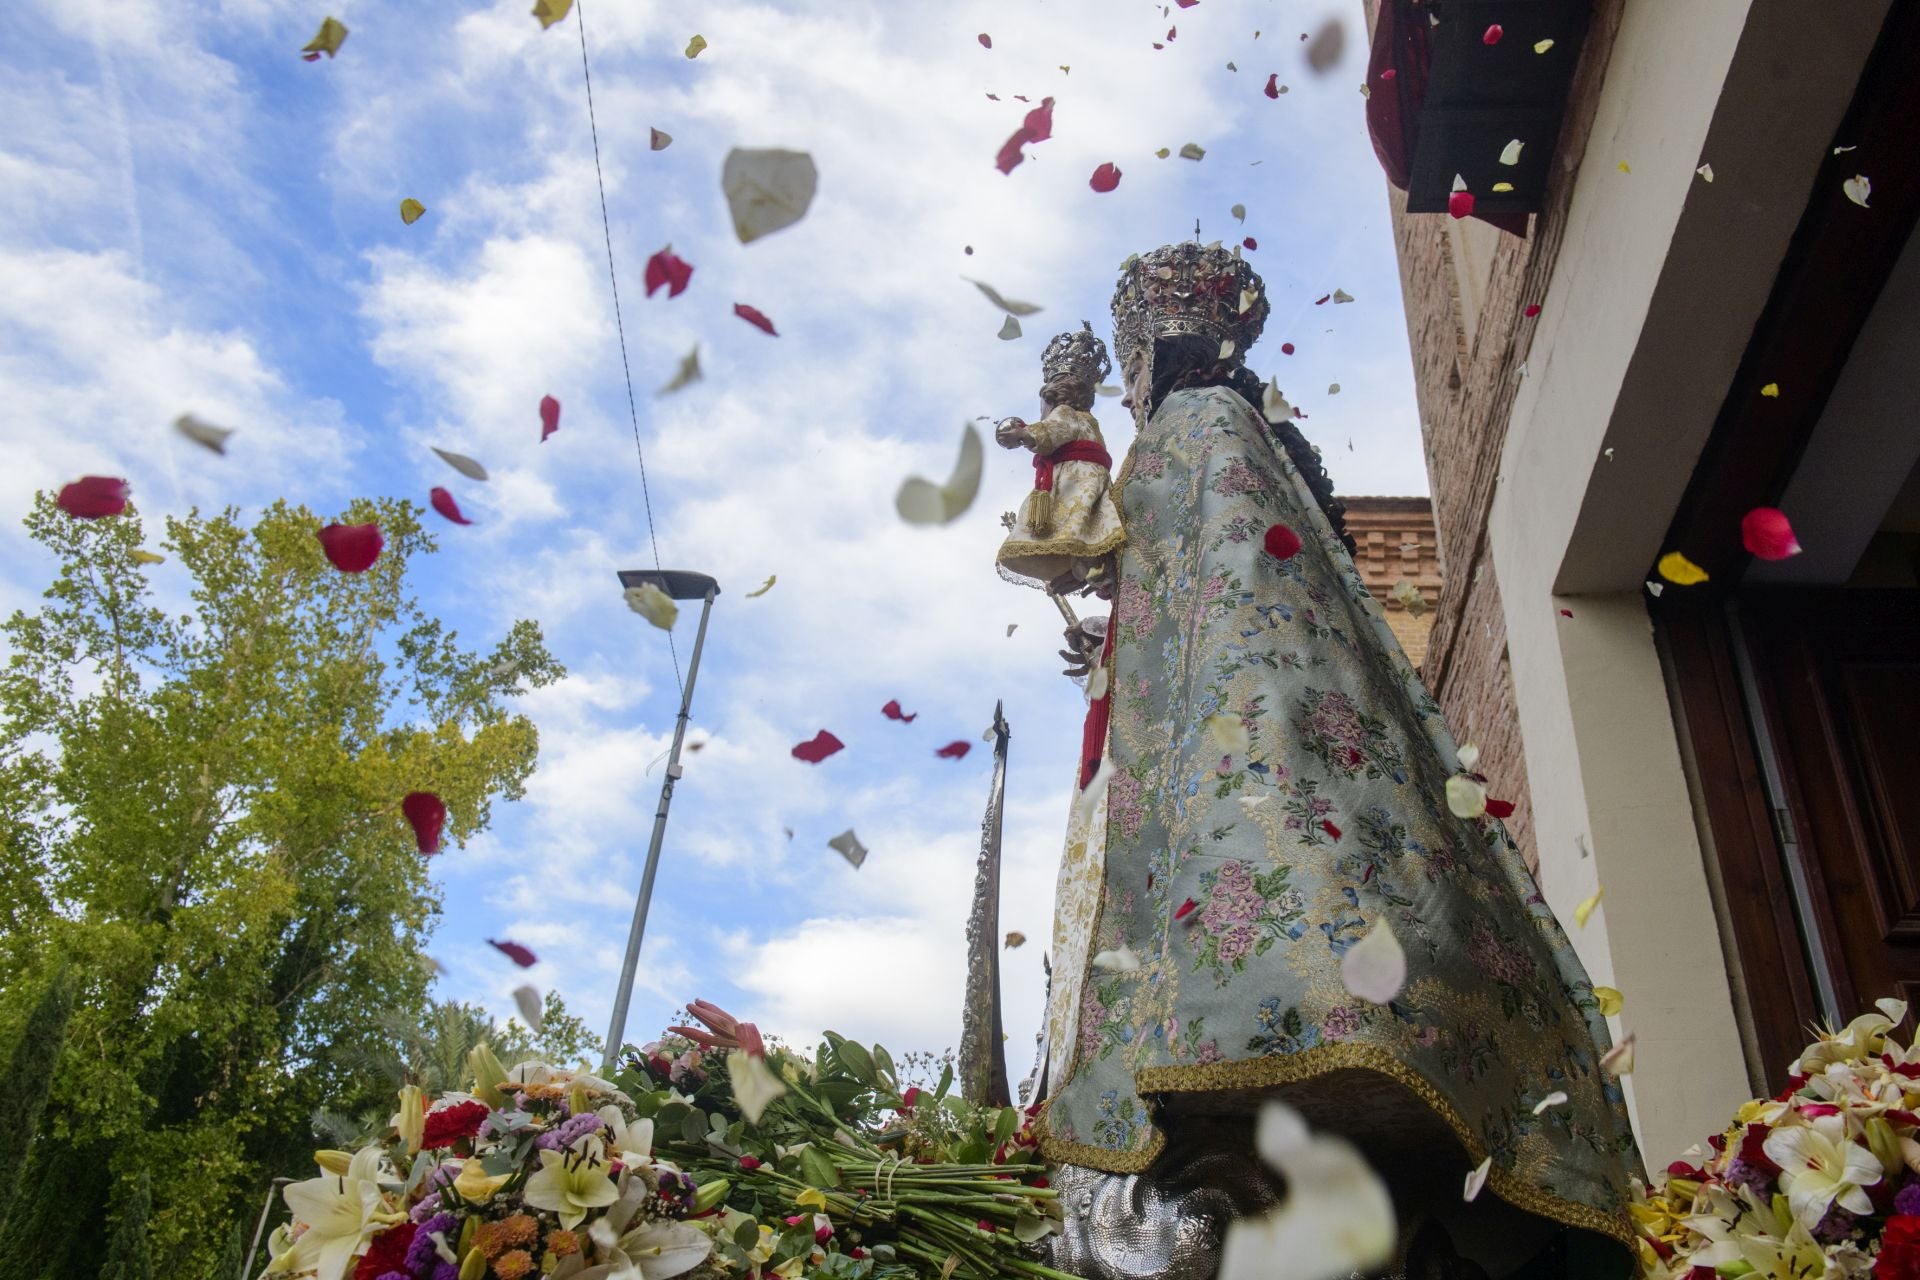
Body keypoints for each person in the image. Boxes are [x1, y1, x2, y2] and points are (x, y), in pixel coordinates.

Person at [1031, 241, 1643, 1280]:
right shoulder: (1256, 435)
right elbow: (1203, 592)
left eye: (1130, 365)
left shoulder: (1190, 427)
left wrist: (1066, 424)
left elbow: (1101, 549)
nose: (1129, 387)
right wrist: (1123, 634)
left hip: (1233, 772)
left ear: (1152, 353)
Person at [995, 323, 1127, 598]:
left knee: (1070, 524)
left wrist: (1024, 434)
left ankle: (1083, 563)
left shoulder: (1065, 414)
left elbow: (1052, 430)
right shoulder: (1091, 422)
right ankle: (1087, 567)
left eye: (1042, 407)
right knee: (1092, 528)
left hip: (1074, 483)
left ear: (1051, 399)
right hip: (1095, 483)